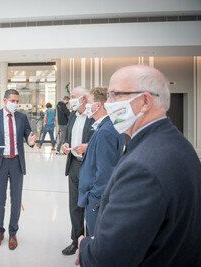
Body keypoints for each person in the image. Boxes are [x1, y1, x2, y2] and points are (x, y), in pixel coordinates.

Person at [76, 65, 201, 266]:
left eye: (114, 95)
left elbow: (107, 259)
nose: (108, 104)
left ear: (144, 101)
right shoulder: (175, 143)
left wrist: (85, 247)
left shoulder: (143, 167)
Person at [0, 89, 36, 250]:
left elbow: (28, 136)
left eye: (17, 101)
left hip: (16, 163)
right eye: (13, 100)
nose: (15, 104)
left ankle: (13, 232)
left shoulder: (22, 117)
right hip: (0, 162)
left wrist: (31, 141)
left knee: (16, 199)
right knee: (0, 200)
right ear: (4, 101)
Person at [77, 87, 125, 236]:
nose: (86, 106)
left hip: (98, 200)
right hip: (100, 197)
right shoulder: (111, 125)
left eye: (89, 102)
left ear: (97, 105)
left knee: (95, 236)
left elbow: (105, 171)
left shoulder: (105, 131)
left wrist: (94, 198)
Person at [61, 86, 95, 256]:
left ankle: (90, 243)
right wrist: (65, 145)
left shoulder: (94, 116)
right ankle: (76, 241)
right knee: (74, 205)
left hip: (89, 165)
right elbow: (68, 136)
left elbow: (101, 140)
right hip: (74, 163)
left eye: (73, 96)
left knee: (90, 206)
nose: (70, 99)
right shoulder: (73, 115)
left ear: (83, 99)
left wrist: (87, 147)